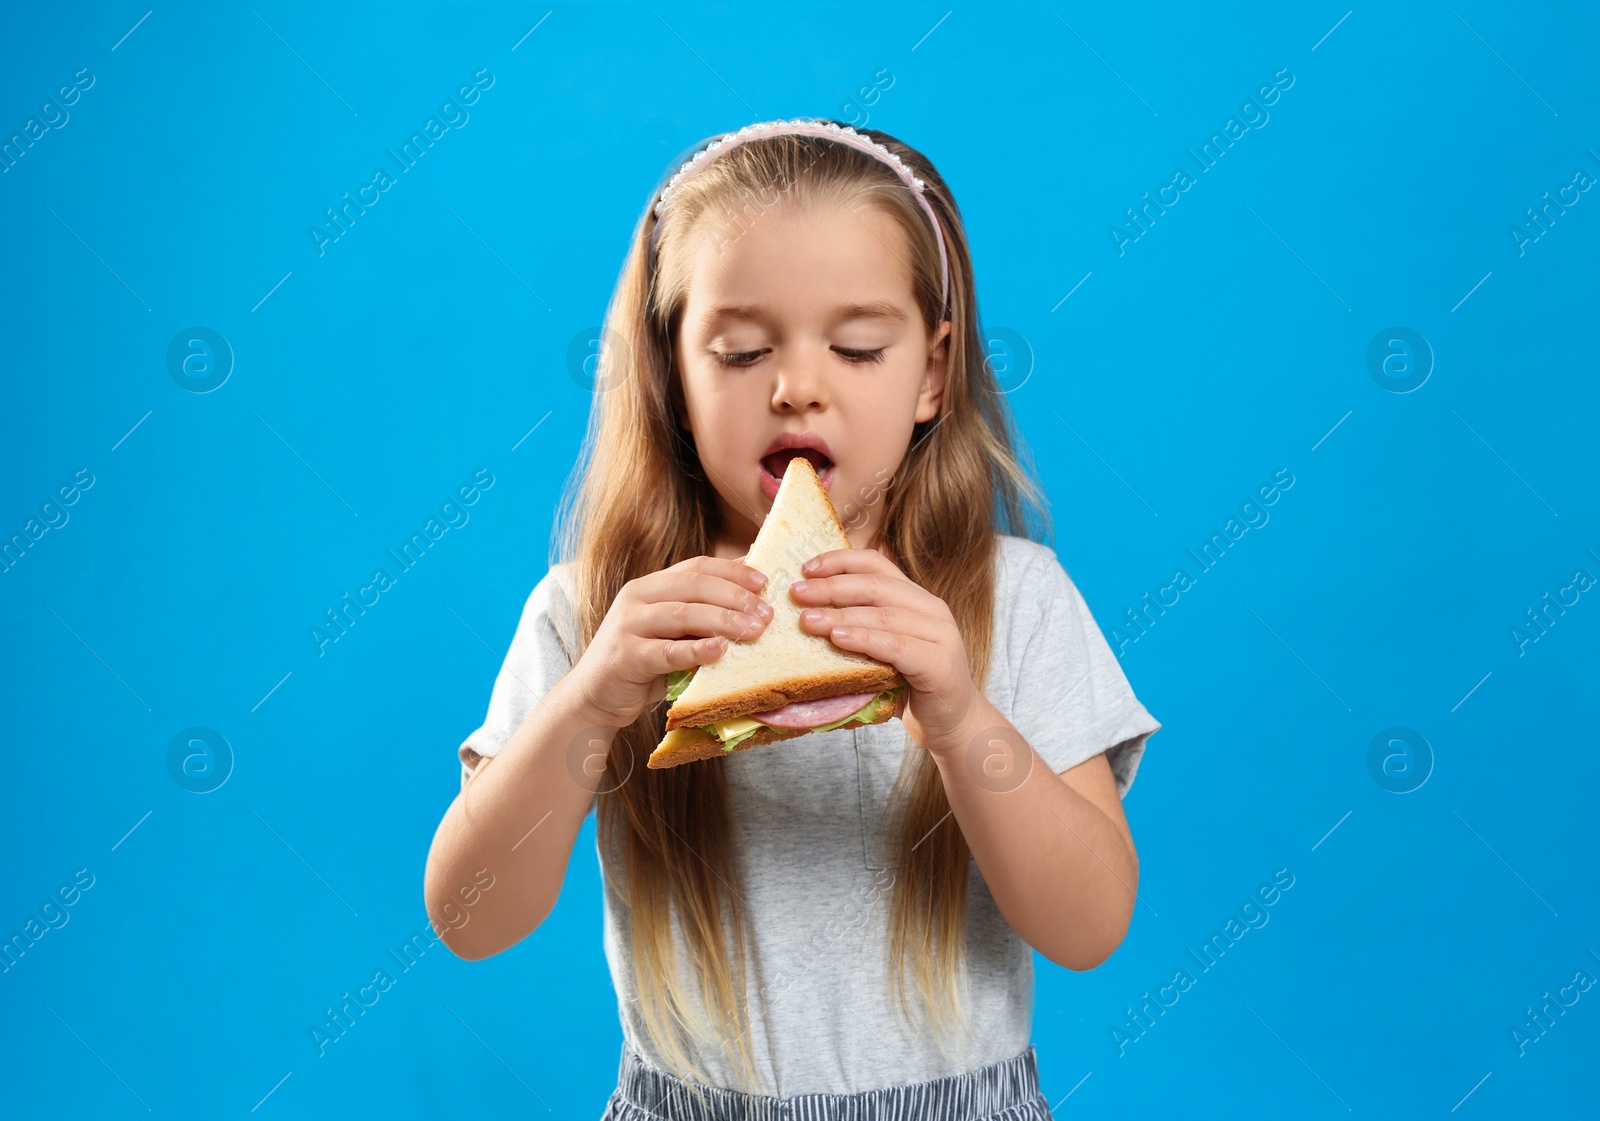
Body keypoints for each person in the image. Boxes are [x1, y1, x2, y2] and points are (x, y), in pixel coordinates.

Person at [423, 118, 1161, 1119]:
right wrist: (591, 705)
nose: (795, 385)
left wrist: (958, 716)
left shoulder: (1011, 597)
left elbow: (1088, 924)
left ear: (932, 374)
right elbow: (469, 916)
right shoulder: (599, 614)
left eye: (857, 347)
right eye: (737, 350)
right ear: (671, 373)